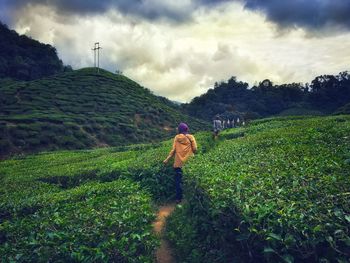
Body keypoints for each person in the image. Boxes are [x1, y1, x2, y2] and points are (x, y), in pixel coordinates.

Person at [163, 123, 197, 203]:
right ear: (187, 129)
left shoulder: (177, 137)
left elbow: (173, 150)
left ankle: (179, 198)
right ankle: (189, 198)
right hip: (189, 162)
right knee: (189, 179)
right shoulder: (191, 137)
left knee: (178, 181)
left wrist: (167, 159)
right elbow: (195, 149)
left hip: (178, 163)